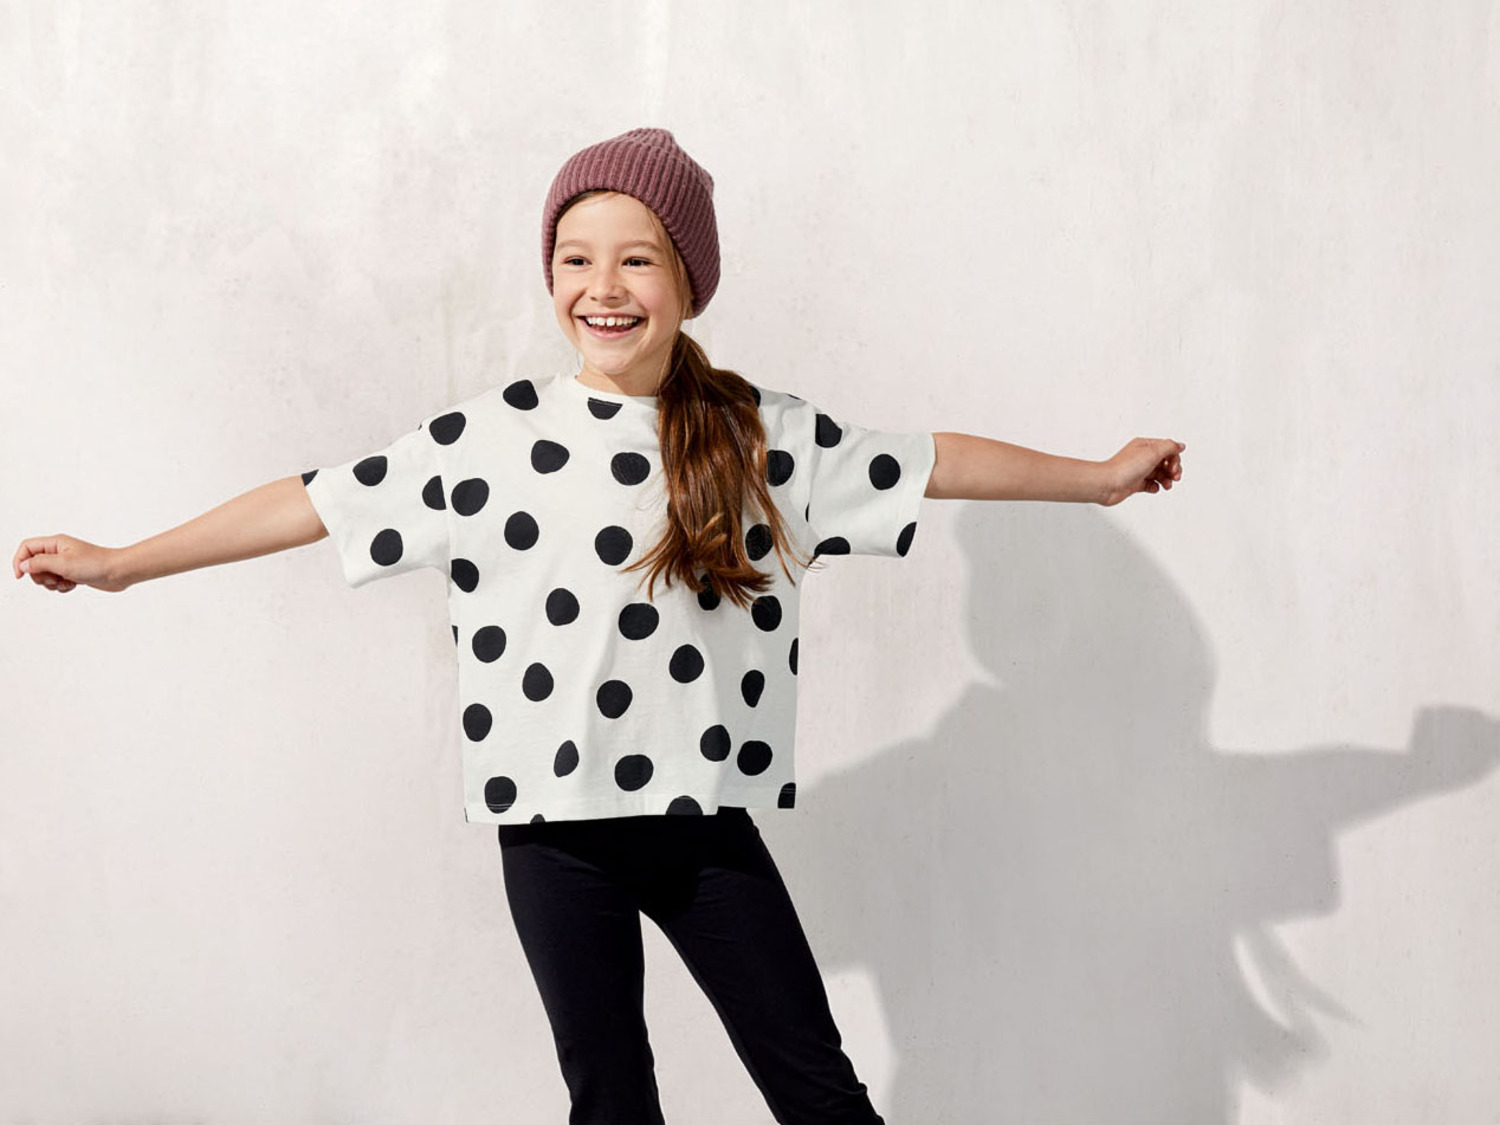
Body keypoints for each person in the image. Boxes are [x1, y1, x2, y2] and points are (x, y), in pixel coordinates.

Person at [12, 127, 1185, 1124]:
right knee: (611, 1097)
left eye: (637, 259)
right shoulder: (486, 441)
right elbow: (315, 502)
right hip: (553, 834)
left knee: (815, 1085)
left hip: (703, 827)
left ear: (687, 282)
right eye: (576, 258)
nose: (603, 286)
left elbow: (930, 462)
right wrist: (123, 563)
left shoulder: (756, 435)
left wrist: (1095, 478)